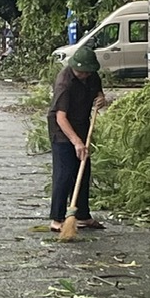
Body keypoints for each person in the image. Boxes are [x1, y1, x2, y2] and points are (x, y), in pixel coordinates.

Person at [46, 46, 108, 232]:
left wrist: (101, 99)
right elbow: (60, 117)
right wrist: (76, 142)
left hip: (82, 125)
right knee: (64, 173)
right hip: (62, 130)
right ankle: (57, 219)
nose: (83, 75)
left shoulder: (91, 76)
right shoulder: (65, 84)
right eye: (80, 71)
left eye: (86, 72)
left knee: (83, 170)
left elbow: (98, 93)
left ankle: (81, 215)